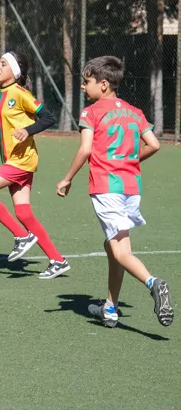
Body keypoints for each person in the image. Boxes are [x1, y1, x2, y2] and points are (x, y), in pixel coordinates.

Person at [56, 55, 171, 329]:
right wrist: (129, 160)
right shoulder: (134, 111)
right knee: (113, 247)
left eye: (87, 82)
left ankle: (154, 283)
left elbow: (85, 149)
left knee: (120, 251)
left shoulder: (91, 112)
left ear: (104, 84)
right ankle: (110, 308)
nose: (83, 87)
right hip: (131, 187)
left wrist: (67, 178)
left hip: (106, 187)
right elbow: (154, 144)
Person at [0, 50, 69, 279]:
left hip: (22, 160)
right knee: (24, 213)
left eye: (3, 64)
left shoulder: (21, 94)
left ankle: (22, 236)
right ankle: (57, 260)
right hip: (13, 160)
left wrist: (28, 130)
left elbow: (48, 118)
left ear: (15, 71)